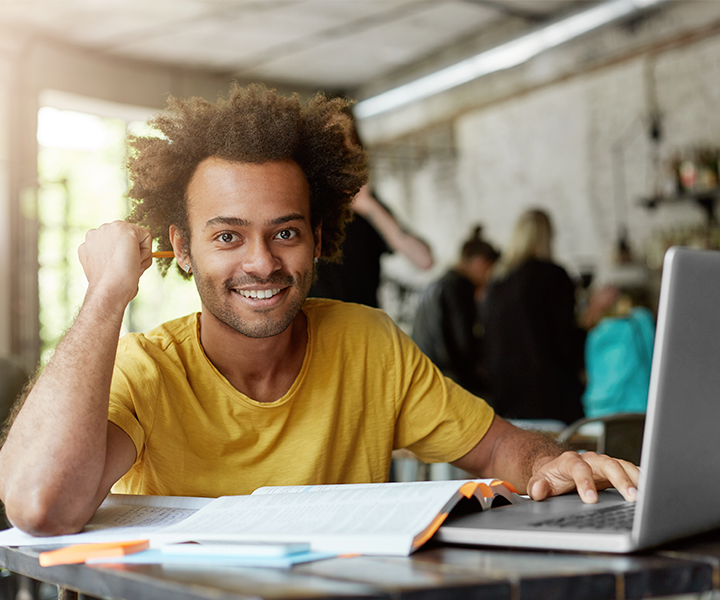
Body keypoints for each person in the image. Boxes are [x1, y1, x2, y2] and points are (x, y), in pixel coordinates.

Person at [0, 85, 638, 538]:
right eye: (227, 236)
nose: (262, 262)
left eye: (285, 232)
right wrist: (106, 293)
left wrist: (546, 462)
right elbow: (40, 505)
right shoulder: (144, 369)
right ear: (182, 248)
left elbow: (501, 448)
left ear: (317, 237)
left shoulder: (368, 343)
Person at [483, 208, 614, 425]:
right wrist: (594, 310)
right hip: (550, 400)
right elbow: (567, 346)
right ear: (547, 237)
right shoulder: (553, 276)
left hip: (506, 401)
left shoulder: (496, 282)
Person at [309, 120, 433, 307]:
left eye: (347, 141)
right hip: (313, 330)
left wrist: (369, 207)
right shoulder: (302, 205)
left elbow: (424, 260)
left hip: (364, 330)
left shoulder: (368, 208)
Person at [412, 226, 499, 396]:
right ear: (480, 262)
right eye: (490, 269)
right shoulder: (459, 287)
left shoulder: (438, 285)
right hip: (449, 380)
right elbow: (464, 343)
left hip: (428, 376)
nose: (490, 277)